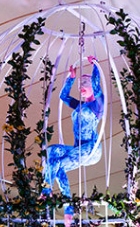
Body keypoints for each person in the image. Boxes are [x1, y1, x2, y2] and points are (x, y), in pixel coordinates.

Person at [43, 57, 104, 197]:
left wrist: (95, 65)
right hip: (78, 148)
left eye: (84, 83)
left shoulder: (98, 105)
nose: (81, 86)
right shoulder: (80, 106)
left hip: (91, 148)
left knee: (58, 164)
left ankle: (46, 191)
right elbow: (63, 96)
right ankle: (66, 202)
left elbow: (96, 83)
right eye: (79, 84)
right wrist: (70, 79)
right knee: (52, 154)